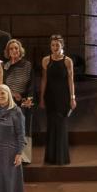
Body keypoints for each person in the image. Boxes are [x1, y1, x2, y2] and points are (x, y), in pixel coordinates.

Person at [41, 35, 76, 166]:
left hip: (63, 97)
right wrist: (42, 98)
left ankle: (61, 158)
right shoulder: (45, 60)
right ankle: (50, 158)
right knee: (51, 125)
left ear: (62, 46)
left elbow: (70, 80)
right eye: (53, 45)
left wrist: (72, 98)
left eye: (57, 45)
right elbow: (44, 80)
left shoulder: (68, 61)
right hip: (50, 96)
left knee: (61, 125)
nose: (55, 48)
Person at [3, 39, 35, 164]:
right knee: (10, 130)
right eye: (11, 49)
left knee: (24, 129)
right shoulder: (5, 66)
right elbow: (2, 84)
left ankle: (25, 157)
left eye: (16, 48)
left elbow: (32, 85)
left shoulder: (27, 65)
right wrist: (11, 95)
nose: (14, 51)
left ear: (20, 50)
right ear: (8, 51)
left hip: (24, 102)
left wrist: (27, 99)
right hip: (8, 102)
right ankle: (11, 156)